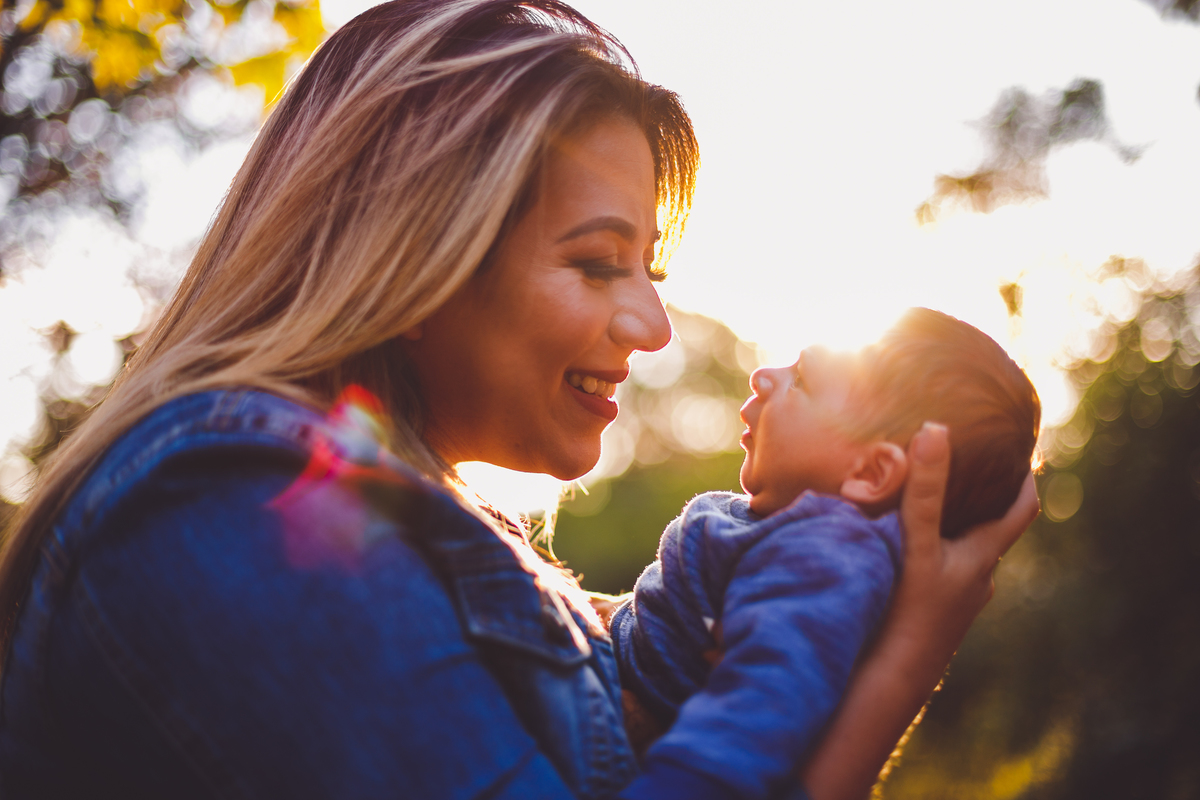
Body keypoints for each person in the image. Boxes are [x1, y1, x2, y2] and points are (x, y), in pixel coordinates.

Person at [0, 2, 1039, 799]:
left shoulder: (455, 543)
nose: (652, 326)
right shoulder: (228, 511)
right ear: (415, 257)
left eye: (651, 273)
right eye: (597, 265)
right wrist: (902, 662)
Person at [612, 308, 1041, 797]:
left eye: (803, 381)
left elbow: (745, 728)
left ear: (872, 474)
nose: (763, 375)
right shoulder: (807, 541)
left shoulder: (830, 560)